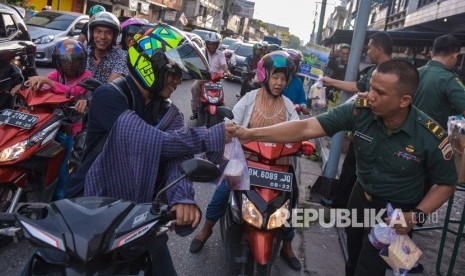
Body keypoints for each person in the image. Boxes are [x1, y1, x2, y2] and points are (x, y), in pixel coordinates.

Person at [228, 60, 457, 276]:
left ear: (404, 100)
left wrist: (415, 216)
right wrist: (250, 134)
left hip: (395, 212)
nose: (369, 95)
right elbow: (306, 127)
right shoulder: (360, 111)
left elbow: (446, 183)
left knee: (369, 267)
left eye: (380, 92)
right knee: (353, 256)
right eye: (370, 88)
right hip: (359, 198)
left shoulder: (429, 135)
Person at [67, 24, 226, 276]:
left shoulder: (167, 111)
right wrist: (213, 135)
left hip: (139, 213)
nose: (177, 80)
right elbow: (151, 142)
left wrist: (182, 197)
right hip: (90, 206)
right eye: (173, 73)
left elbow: (177, 158)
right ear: (150, 65)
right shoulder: (109, 96)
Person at [189, 51, 302, 271]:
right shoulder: (250, 99)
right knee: (222, 194)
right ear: (265, 75)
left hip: (278, 167)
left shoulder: (289, 106)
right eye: (275, 76)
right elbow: (231, 121)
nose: (279, 82)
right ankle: (206, 229)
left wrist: (303, 142)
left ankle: (288, 244)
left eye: (284, 78)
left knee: (292, 202)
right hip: (246, 162)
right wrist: (227, 130)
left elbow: (298, 130)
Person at [320, 32, 392, 210]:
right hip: (383, 130)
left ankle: (341, 204)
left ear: (379, 49)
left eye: (370, 48)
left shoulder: (382, 71)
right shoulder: (394, 70)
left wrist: (331, 82)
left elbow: (357, 87)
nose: (368, 52)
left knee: (353, 166)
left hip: (370, 127)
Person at [13, 39, 92, 200]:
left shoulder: (87, 76)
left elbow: (74, 91)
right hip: (52, 124)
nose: (69, 65)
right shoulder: (57, 75)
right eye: (65, 61)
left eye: (74, 61)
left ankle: (60, 199)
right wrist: (28, 85)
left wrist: (48, 82)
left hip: (74, 129)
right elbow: (42, 87)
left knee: (63, 168)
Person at [414, 34, 465, 129]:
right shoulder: (449, 79)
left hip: (407, 132)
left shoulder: (415, 72)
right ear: (455, 56)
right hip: (432, 137)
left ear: (432, 53)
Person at [190, 32, 232, 120]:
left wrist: (227, 72)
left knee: (220, 96)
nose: (212, 46)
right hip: (203, 78)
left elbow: (224, 65)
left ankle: (221, 111)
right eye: (209, 43)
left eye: (214, 44)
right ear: (206, 43)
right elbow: (195, 63)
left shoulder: (220, 54)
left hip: (216, 79)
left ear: (217, 45)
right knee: (194, 88)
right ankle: (195, 110)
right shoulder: (201, 52)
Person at [86, 11, 128, 83]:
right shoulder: (83, 53)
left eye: (108, 33)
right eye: (98, 31)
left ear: (115, 36)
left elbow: (110, 87)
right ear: (91, 33)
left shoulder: (122, 57)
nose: (102, 37)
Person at [283, 48, 308, 114]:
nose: (293, 66)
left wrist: (303, 107)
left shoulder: (298, 81)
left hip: (290, 116)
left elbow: (302, 100)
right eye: (291, 63)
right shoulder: (275, 78)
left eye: (295, 64)